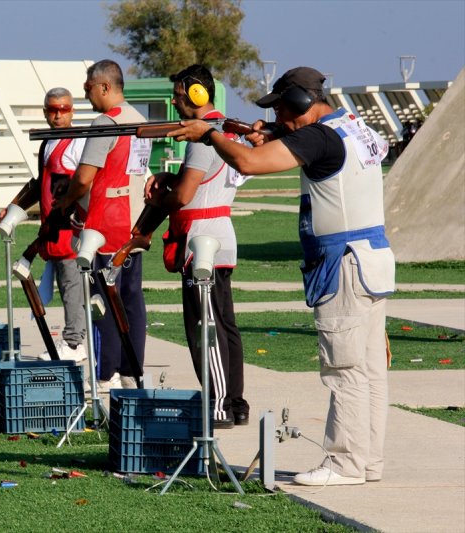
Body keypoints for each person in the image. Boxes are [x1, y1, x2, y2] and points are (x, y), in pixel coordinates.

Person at [168, 67, 394, 485]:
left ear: (304, 103)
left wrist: (210, 134)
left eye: (284, 109)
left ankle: (343, 463)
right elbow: (318, 147)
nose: (281, 117)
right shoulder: (352, 126)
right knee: (368, 369)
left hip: (341, 261)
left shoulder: (316, 137)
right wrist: (276, 133)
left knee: (344, 368)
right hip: (371, 260)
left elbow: (248, 162)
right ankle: (367, 462)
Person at [145, 65, 249, 429]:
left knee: (204, 326)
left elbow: (186, 195)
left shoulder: (205, 138)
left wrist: (160, 198)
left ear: (197, 96)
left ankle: (218, 405)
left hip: (201, 239)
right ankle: (234, 403)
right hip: (219, 234)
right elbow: (200, 183)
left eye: (178, 94)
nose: (174, 100)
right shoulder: (225, 132)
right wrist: (169, 178)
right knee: (224, 324)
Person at [53, 59, 151, 390]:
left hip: (106, 224)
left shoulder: (104, 122)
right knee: (132, 299)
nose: (86, 94)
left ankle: (105, 374)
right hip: (135, 223)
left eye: (87, 88)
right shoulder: (139, 119)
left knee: (103, 300)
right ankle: (130, 371)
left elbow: (83, 178)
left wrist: (65, 202)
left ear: (104, 87)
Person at [0, 87, 87, 362]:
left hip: (69, 226)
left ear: (72, 111)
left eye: (64, 109)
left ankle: (74, 343)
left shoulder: (78, 143)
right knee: (64, 281)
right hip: (52, 226)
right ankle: (73, 339)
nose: (58, 115)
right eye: (52, 110)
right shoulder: (47, 143)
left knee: (73, 284)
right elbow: (40, 184)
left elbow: (85, 183)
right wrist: (13, 206)